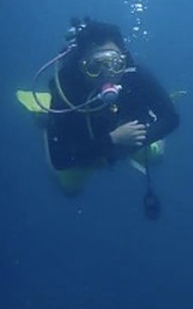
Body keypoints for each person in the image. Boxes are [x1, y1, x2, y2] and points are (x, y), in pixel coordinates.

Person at [35, 18, 180, 199]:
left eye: (115, 64)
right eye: (94, 67)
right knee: (70, 189)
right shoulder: (67, 87)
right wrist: (113, 140)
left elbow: (171, 119)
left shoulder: (136, 75)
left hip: (128, 134)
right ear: (81, 66)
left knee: (156, 156)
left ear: (124, 60)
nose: (107, 74)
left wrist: (131, 142)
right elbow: (60, 159)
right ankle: (46, 122)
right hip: (86, 143)